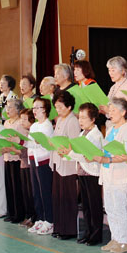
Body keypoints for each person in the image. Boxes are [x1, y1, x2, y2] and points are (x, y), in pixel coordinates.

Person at [94, 98, 127, 253]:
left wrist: (109, 159)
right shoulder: (111, 128)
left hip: (120, 174)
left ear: (123, 112)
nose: (109, 114)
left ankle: (124, 241)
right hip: (107, 172)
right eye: (109, 110)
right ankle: (115, 238)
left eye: (113, 110)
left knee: (120, 207)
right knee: (110, 207)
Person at [67, 103, 104, 245]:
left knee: (94, 206)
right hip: (82, 172)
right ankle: (88, 232)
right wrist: (67, 153)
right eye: (79, 117)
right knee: (86, 206)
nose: (80, 121)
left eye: (84, 118)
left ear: (93, 119)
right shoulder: (82, 134)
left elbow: (87, 156)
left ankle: (96, 235)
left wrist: (71, 153)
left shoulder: (96, 135)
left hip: (92, 173)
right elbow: (77, 154)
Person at [50, 90, 80, 239]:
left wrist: (66, 150)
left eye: (61, 107)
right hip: (58, 161)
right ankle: (59, 227)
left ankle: (68, 230)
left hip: (68, 164)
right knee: (58, 197)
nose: (58, 110)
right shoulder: (60, 120)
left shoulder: (72, 120)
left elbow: (74, 144)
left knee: (67, 198)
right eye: (56, 107)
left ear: (69, 107)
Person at [28, 97, 54, 235]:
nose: (35, 110)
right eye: (34, 108)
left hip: (43, 161)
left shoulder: (47, 126)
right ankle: (40, 218)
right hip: (33, 160)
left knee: (45, 191)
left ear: (45, 109)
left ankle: (49, 221)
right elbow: (31, 144)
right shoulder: (34, 126)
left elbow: (40, 144)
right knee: (36, 192)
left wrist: (22, 141)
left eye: (38, 107)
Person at [2, 99, 26, 224]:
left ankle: (19, 214)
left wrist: (13, 147)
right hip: (7, 156)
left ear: (18, 109)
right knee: (9, 186)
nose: (7, 109)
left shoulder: (20, 123)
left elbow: (23, 142)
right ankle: (11, 213)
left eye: (10, 107)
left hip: (17, 157)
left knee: (17, 186)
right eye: (7, 107)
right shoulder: (6, 123)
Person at [101, 56, 127, 125]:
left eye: (113, 70)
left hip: (122, 125)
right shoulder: (113, 87)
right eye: (109, 70)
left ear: (122, 71)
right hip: (110, 124)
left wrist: (109, 111)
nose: (110, 73)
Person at [19, 108, 36, 227]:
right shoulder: (26, 132)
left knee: (32, 192)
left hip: (31, 164)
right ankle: (29, 215)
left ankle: (34, 217)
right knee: (26, 193)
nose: (22, 122)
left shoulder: (33, 133)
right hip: (24, 164)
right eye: (21, 119)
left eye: (25, 119)